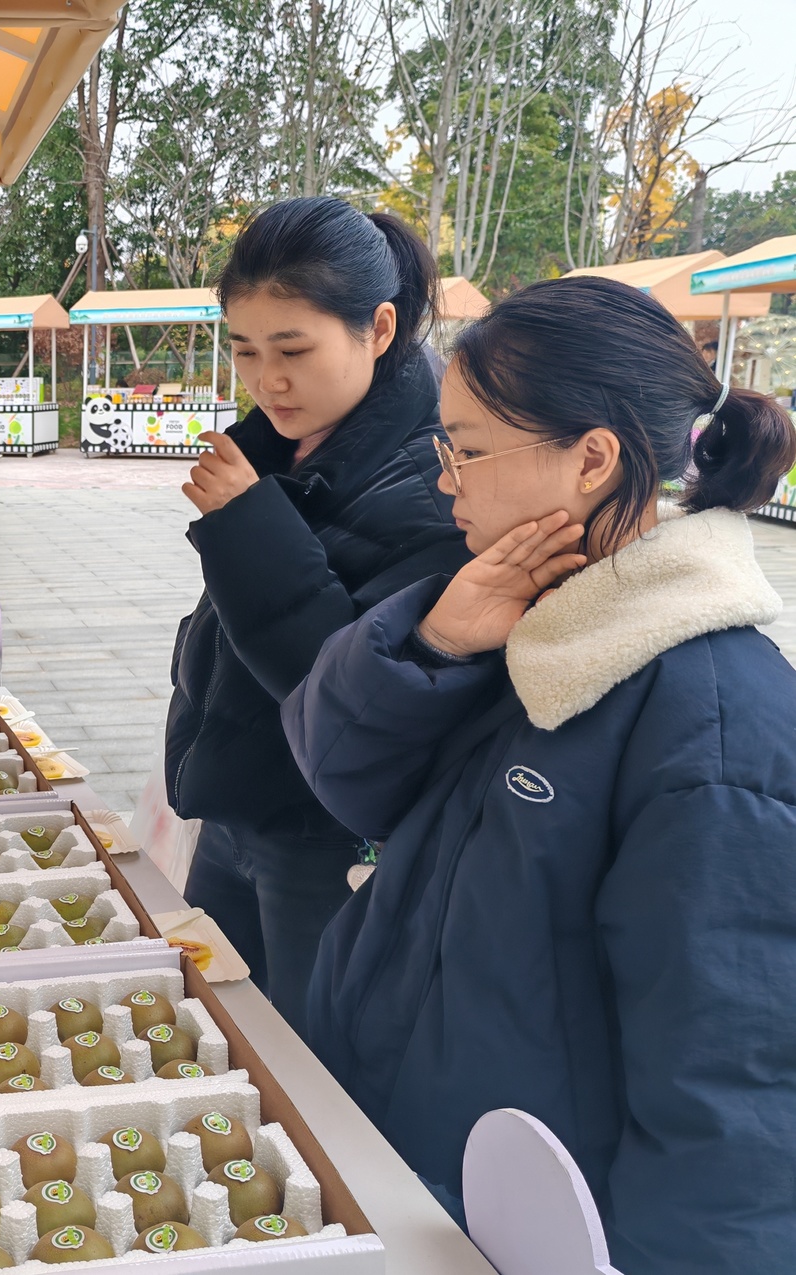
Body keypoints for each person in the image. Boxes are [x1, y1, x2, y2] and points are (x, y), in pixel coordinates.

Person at [284, 275, 796, 1271]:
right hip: (407, 1164)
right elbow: (343, 779)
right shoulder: (532, 618)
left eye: (466, 448)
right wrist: (429, 646)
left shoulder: (715, 723)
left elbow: (731, 1109)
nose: (446, 480)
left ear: (592, 459)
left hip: (522, 1227)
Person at [165, 197, 470, 1024]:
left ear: (379, 328)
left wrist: (246, 526)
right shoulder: (281, 443)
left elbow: (344, 688)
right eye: (245, 350)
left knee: (310, 1068)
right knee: (204, 1025)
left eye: (294, 349)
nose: (268, 379)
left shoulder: (440, 479)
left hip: (327, 834)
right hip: (239, 803)